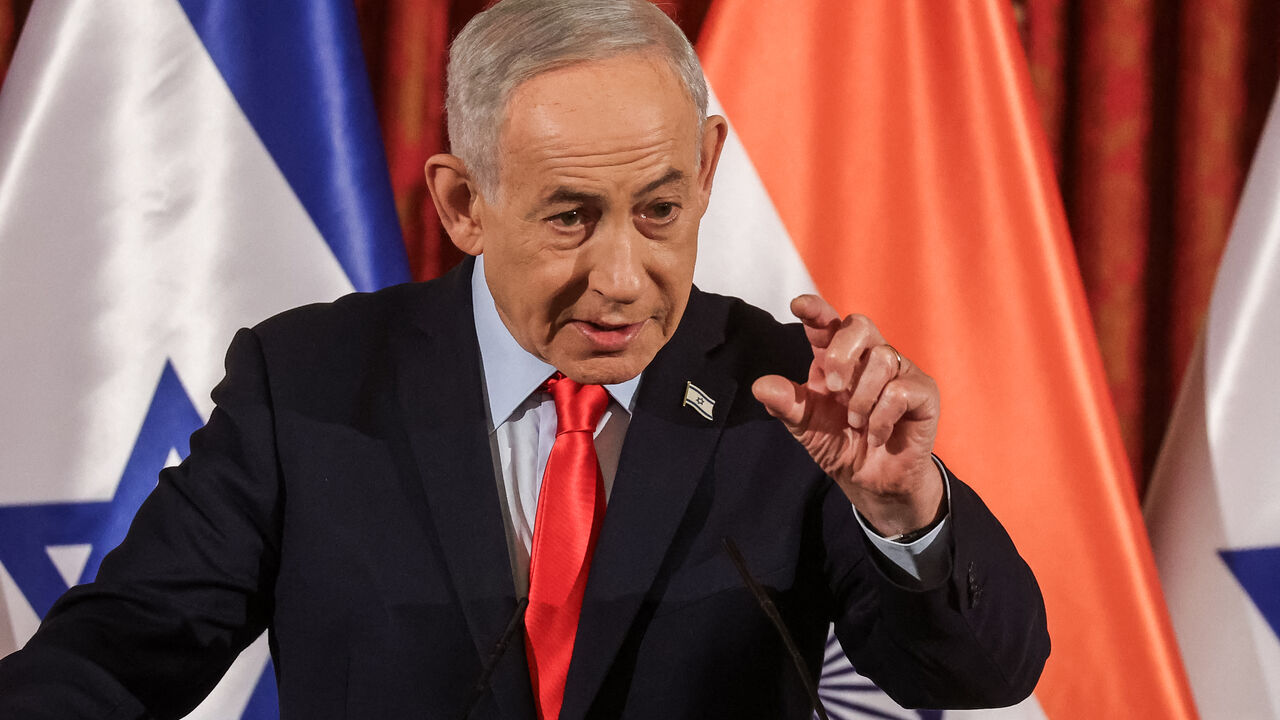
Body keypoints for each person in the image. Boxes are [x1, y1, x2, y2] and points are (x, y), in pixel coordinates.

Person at [0, 0, 1049, 717]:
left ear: (707, 167)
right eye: (568, 217)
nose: (623, 276)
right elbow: (121, 652)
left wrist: (905, 512)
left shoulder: (792, 399)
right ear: (462, 203)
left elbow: (979, 673)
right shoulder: (309, 385)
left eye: (658, 211)